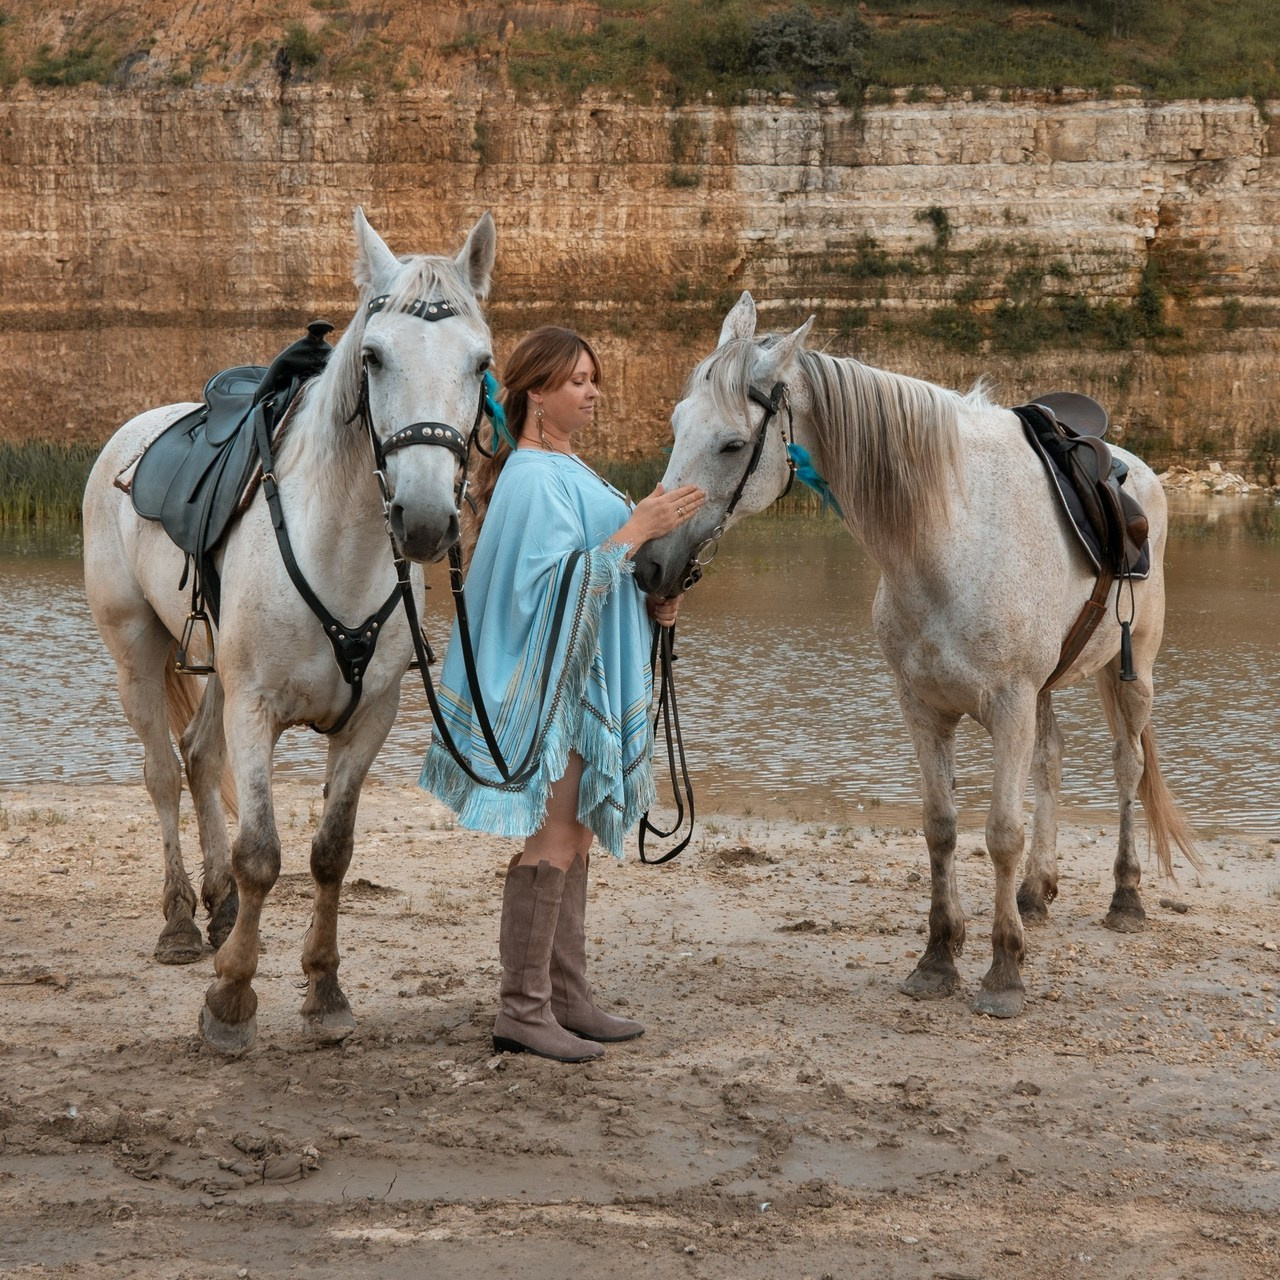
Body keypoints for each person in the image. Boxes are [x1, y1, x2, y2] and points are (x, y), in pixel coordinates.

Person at [420, 326, 705, 1063]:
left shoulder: (568, 469)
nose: (592, 391)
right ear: (535, 392)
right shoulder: (531, 477)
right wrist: (637, 528)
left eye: (593, 378)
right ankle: (523, 1008)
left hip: (585, 682)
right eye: (577, 380)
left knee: (575, 832)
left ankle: (567, 997)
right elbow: (538, 590)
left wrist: (651, 602)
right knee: (551, 835)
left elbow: (596, 573)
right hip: (554, 690)